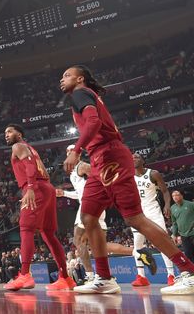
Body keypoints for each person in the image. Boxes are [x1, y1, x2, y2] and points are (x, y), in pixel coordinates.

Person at [61, 65, 194, 294]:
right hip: (100, 160)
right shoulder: (87, 96)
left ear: (80, 78)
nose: (61, 80)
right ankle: (105, 278)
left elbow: (93, 123)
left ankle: (188, 271)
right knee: (89, 217)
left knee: (134, 218)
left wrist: (77, 150)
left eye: (66, 75)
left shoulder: (80, 93)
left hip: (109, 156)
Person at [3, 124, 75, 291]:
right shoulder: (30, 148)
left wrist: (30, 188)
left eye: (10, 131)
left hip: (36, 188)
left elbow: (30, 167)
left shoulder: (18, 146)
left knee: (26, 228)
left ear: (19, 134)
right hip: (47, 187)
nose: (6, 135)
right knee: (48, 234)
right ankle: (65, 277)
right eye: (5, 133)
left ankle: (25, 274)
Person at [56, 145, 133, 283]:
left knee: (78, 240)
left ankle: (90, 276)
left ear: (78, 154)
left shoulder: (82, 166)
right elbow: (81, 193)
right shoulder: (74, 172)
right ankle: (136, 252)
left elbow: (101, 180)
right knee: (98, 244)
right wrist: (64, 193)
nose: (69, 153)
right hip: (93, 204)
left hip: (91, 204)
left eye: (72, 151)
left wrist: (105, 197)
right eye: (67, 151)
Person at [131, 152, 176, 286]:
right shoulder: (129, 176)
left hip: (153, 212)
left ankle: (171, 275)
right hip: (138, 214)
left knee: (163, 242)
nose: (134, 159)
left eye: (137, 157)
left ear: (143, 160)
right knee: (137, 246)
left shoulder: (153, 173)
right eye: (131, 158)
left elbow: (165, 191)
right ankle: (141, 277)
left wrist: (167, 204)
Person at [171, 191, 194, 261]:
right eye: (173, 196)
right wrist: (174, 235)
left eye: (177, 195)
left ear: (182, 196)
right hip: (184, 235)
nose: (175, 197)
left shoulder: (191, 204)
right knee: (188, 255)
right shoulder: (172, 208)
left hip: (193, 233)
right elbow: (174, 222)